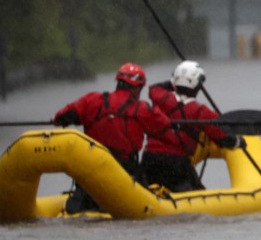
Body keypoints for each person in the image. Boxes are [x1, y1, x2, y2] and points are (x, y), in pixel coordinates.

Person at [52, 62, 172, 213]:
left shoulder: (92, 100)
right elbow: (163, 125)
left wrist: (56, 119)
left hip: (91, 166)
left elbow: (64, 116)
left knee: (80, 200)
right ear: (136, 87)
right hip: (124, 170)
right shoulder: (142, 109)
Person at [142, 60, 243, 193]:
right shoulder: (201, 112)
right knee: (197, 192)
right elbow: (223, 138)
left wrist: (176, 79)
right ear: (198, 86)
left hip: (150, 159)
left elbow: (155, 87)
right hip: (177, 164)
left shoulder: (160, 97)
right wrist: (238, 141)